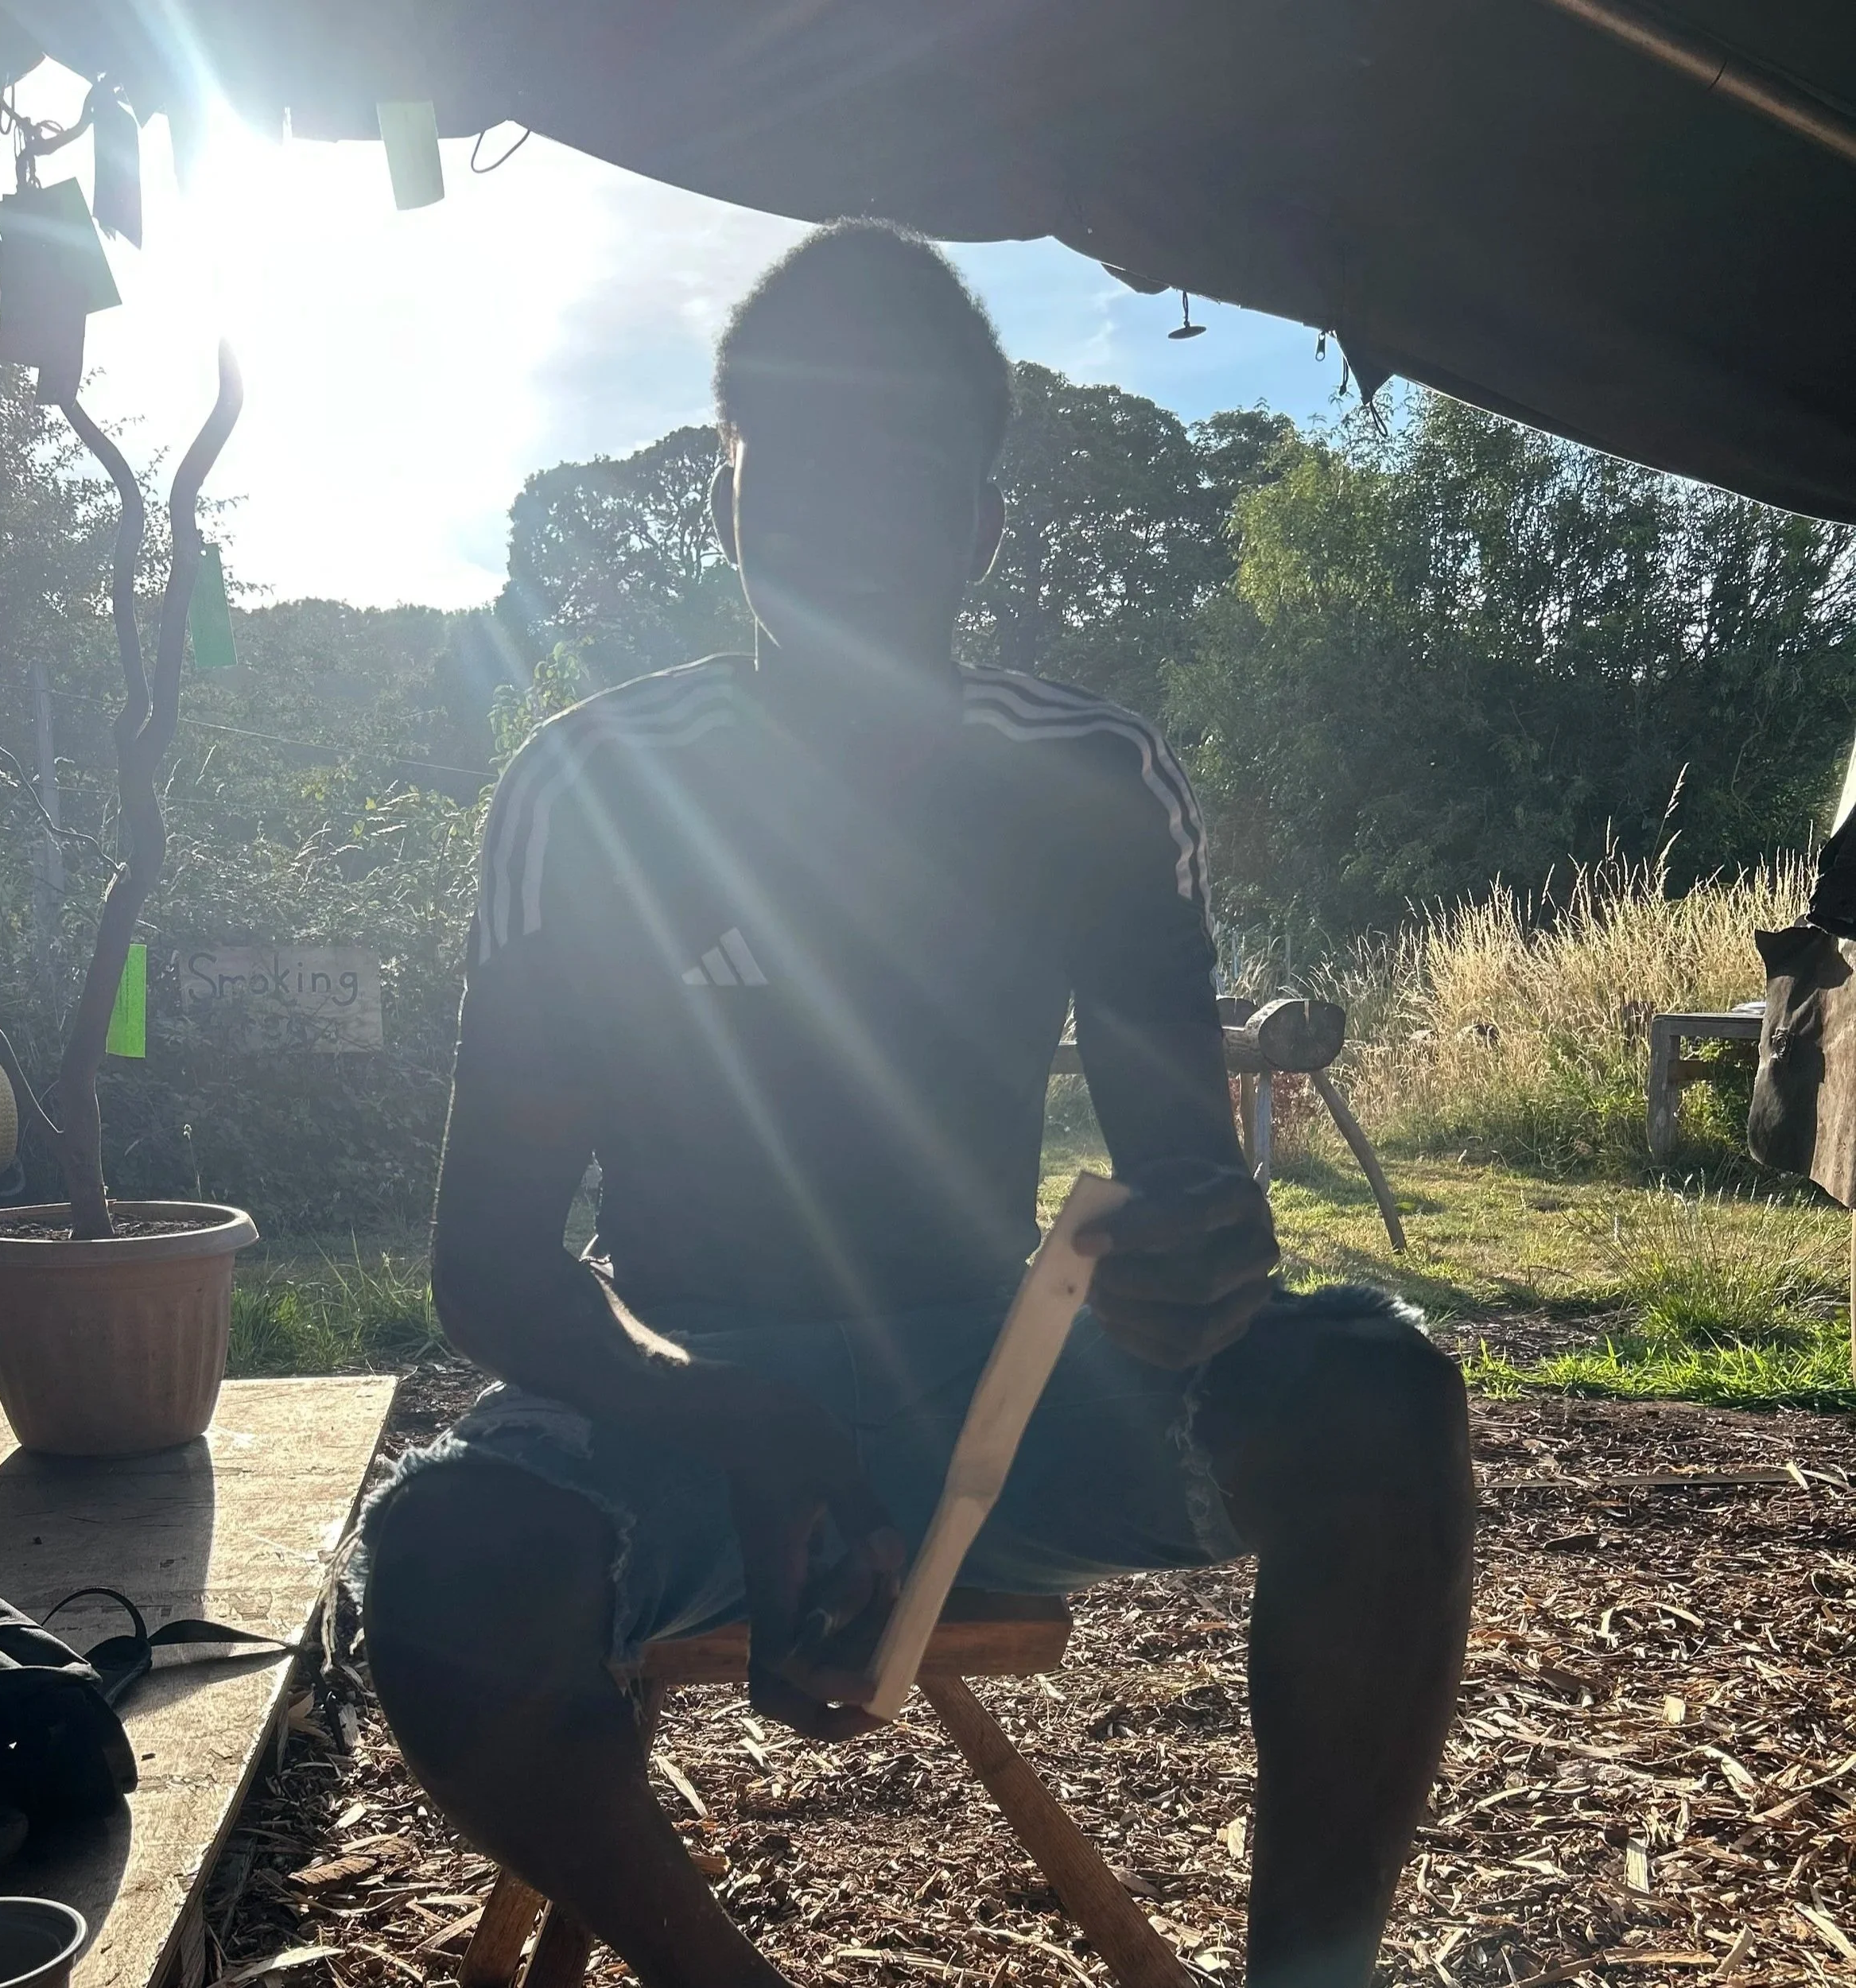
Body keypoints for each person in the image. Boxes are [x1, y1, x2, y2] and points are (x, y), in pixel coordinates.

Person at [361, 222, 1474, 1988]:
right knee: (442, 1559)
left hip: (999, 1390)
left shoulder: (1087, 779)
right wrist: (742, 1418)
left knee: (1377, 1397)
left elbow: (1178, 1177)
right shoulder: (593, 796)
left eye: (901, 482)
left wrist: (1194, 1266)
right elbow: (489, 1267)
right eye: (797, 474)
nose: (846, 529)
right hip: (674, 1397)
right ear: (728, 503)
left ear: (978, 528)